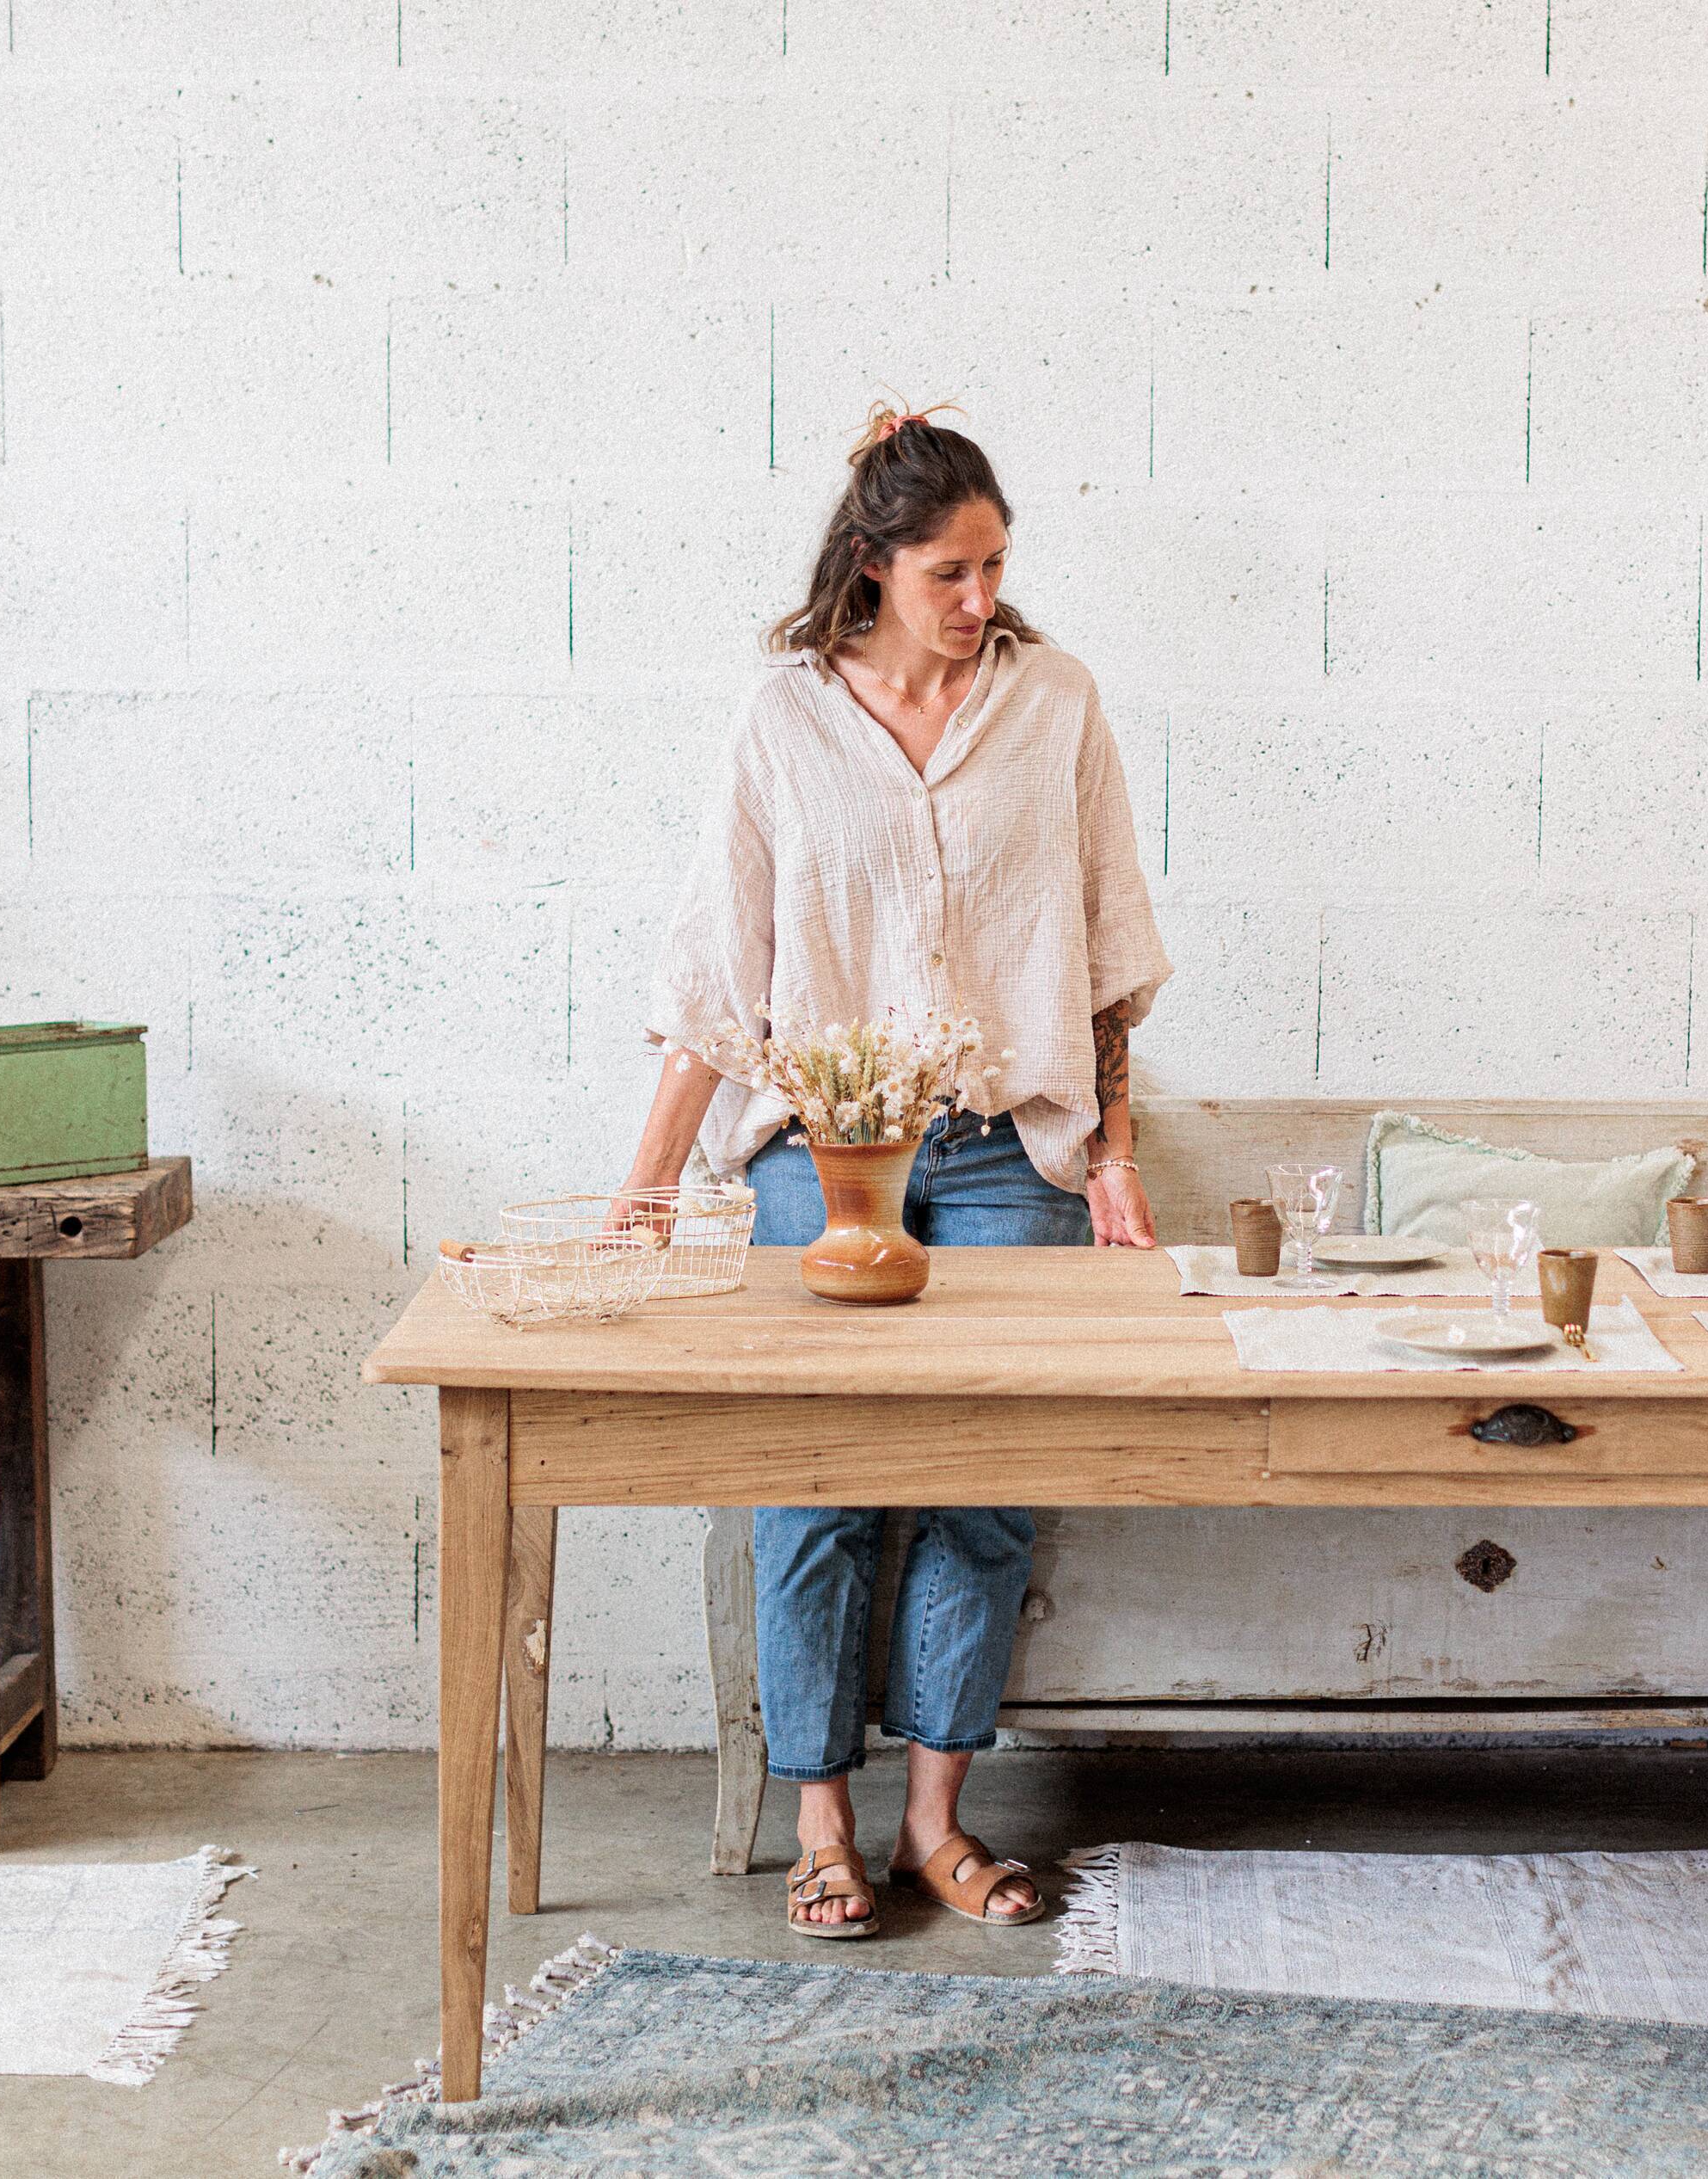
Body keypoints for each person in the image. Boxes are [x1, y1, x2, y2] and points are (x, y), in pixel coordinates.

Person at [626, 402, 1169, 1936]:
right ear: (874, 565)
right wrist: (646, 1185)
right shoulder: (781, 719)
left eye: (996, 565)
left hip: (1007, 1153)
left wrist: (1114, 1154)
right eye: (951, 570)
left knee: (984, 1488)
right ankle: (821, 1825)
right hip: (825, 1155)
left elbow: (1112, 961)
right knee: (810, 1491)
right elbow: (719, 978)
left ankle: (936, 1819)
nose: (982, 598)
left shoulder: (1055, 704)